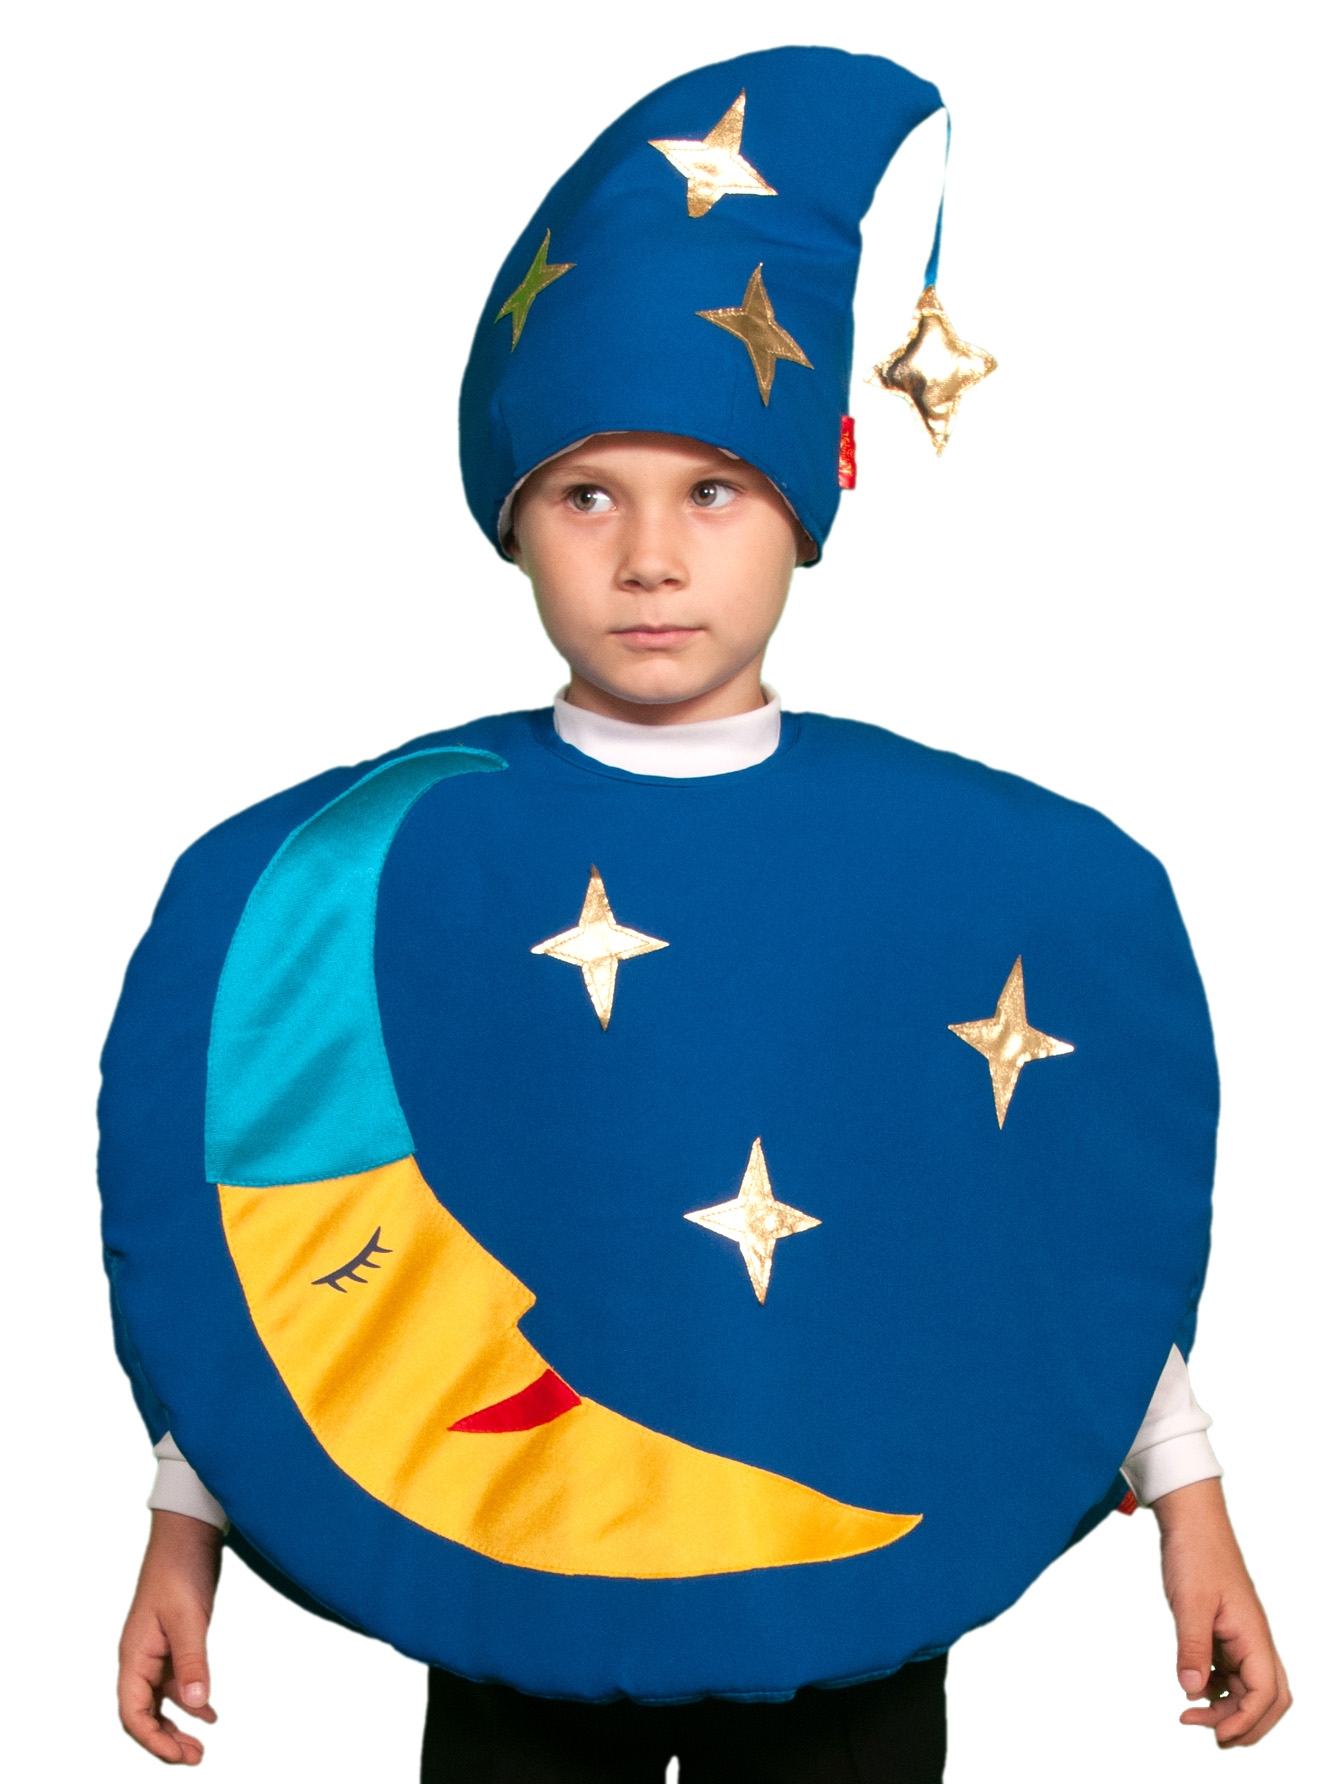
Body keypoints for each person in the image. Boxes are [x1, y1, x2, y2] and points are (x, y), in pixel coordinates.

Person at [103, 47, 1289, 1779]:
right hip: (519, 1565)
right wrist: (184, 1521)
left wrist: (1190, 1502)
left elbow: (1043, 1212)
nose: (649, 556)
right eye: (587, 493)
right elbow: (303, 1240)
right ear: (514, 522)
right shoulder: (385, 860)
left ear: (805, 509)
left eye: (711, 490)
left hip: (846, 1563)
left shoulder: (992, 869)